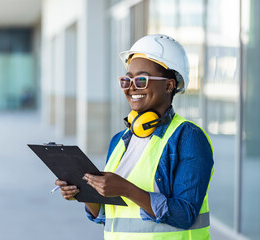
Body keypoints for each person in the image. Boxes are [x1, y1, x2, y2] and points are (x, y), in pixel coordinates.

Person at [55, 34, 214, 239]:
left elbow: (186, 214)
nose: (131, 87)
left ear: (169, 85)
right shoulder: (119, 141)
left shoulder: (188, 137)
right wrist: (84, 194)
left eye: (141, 79)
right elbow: (109, 215)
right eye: (127, 79)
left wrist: (127, 189)